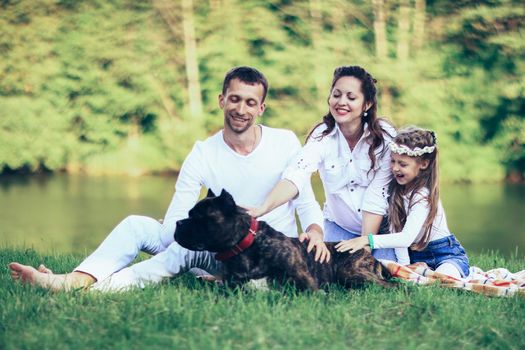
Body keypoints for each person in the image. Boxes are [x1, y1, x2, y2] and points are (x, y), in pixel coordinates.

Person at [9, 66, 328, 292]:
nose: (240, 108)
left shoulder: (284, 141)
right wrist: (173, 226)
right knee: (139, 225)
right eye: (234, 99)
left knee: (178, 253)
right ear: (221, 100)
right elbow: (179, 213)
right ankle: (76, 279)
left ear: (261, 108)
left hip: (267, 254)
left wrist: (314, 228)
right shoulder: (203, 152)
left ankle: (84, 290)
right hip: (219, 254)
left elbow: (305, 199)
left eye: (250, 102)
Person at [247, 66, 407, 263]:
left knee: (384, 271)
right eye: (336, 95)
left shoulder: (385, 137)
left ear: (366, 104)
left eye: (351, 97)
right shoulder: (321, 136)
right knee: (325, 273)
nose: (341, 102)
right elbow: (296, 175)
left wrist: (365, 246)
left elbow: (376, 195)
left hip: (379, 232)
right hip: (338, 227)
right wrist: (262, 208)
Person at [336, 126, 470, 279]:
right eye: (393, 161)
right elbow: (396, 233)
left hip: (445, 253)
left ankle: (438, 272)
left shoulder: (422, 196)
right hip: (417, 256)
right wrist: (405, 266)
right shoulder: (396, 193)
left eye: (402, 164)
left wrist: (367, 239)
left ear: (424, 164)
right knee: (403, 274)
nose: (395, 168)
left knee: (445, 278)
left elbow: (406, 237)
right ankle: (421, 271)